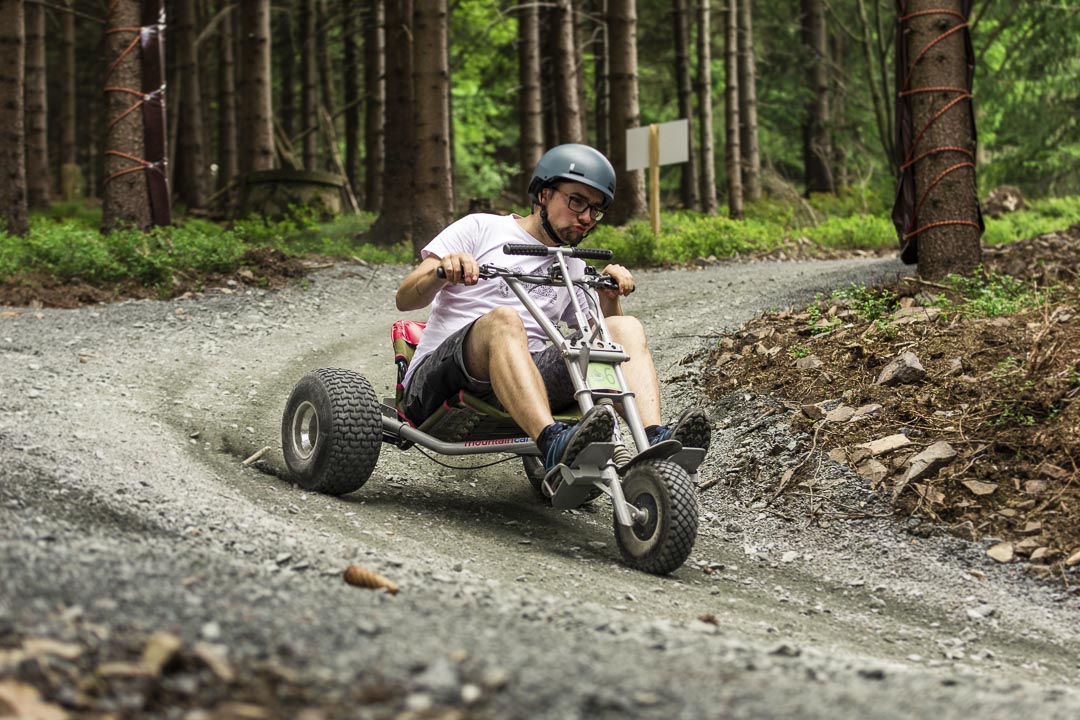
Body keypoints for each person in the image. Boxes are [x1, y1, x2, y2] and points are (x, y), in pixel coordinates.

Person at [395, 143, 710, 475]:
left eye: (595, 210)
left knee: (626, 328)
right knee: (505, 319)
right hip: (441, 381)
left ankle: (654, 440)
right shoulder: (481, 228)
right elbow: (405, 299)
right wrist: (441, 269)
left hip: (522, 383)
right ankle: (553, 443)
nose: (587, 218)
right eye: (577, 202)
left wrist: (609, 294)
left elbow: (609, 349)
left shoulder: (572, 265)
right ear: (544, 195)